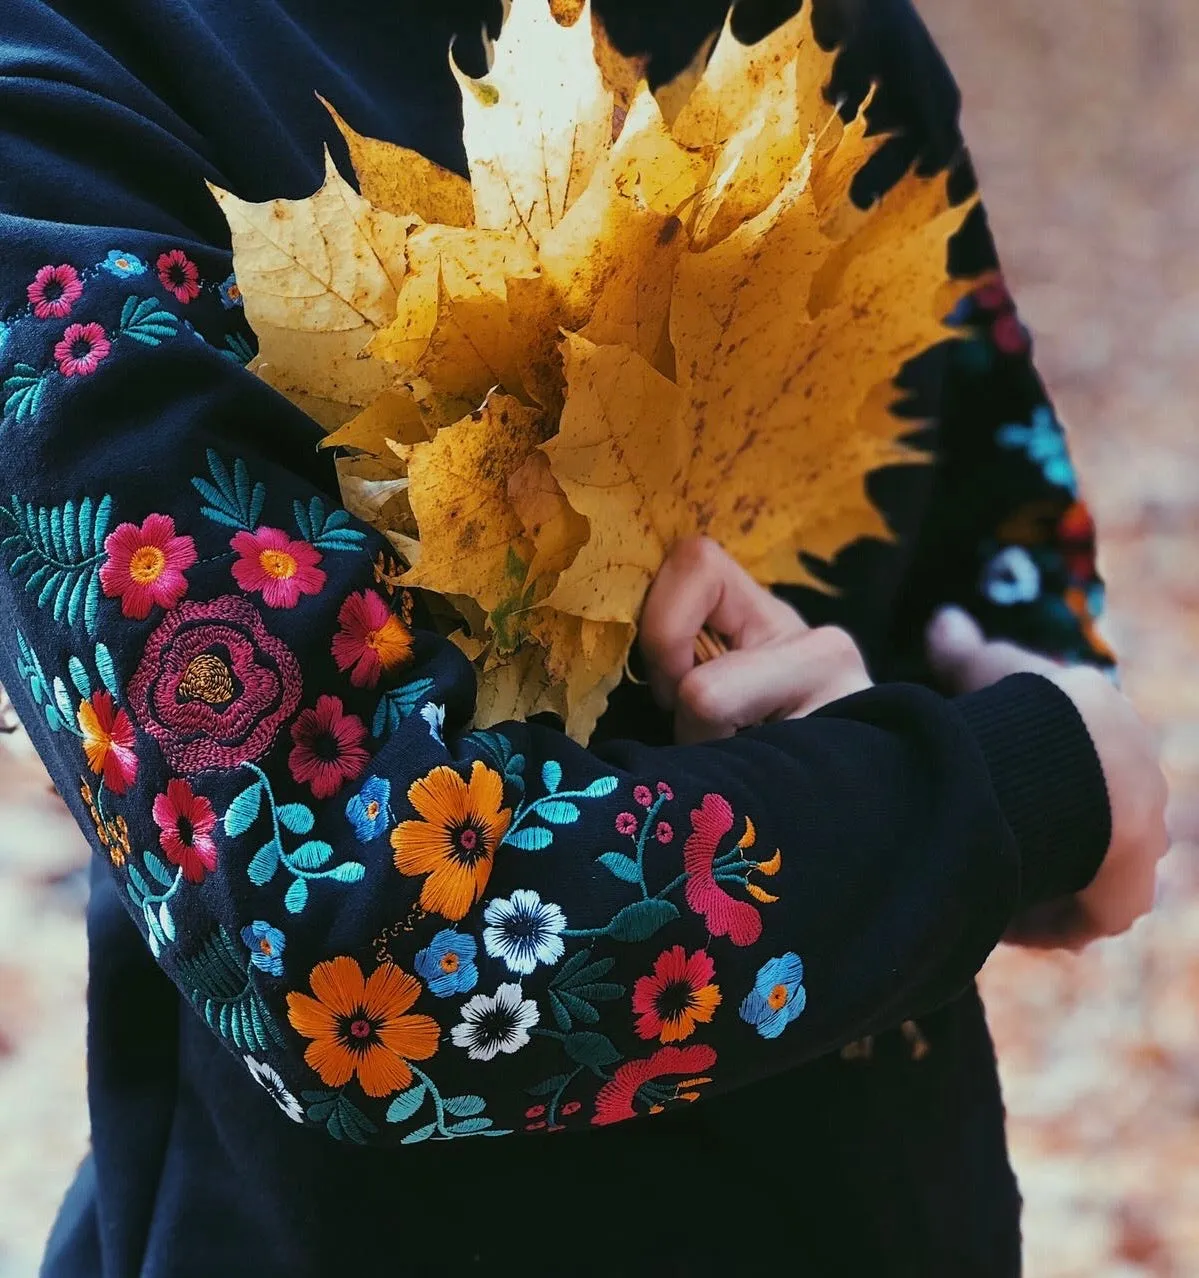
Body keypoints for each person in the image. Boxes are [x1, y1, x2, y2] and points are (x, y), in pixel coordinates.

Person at [0, 0, 1167, 1274]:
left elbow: (1001, 530)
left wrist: (1007, 716)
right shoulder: (64, 87)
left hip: (885, 1210)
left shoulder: (817, 29)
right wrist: (993, 793)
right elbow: (332, 937)